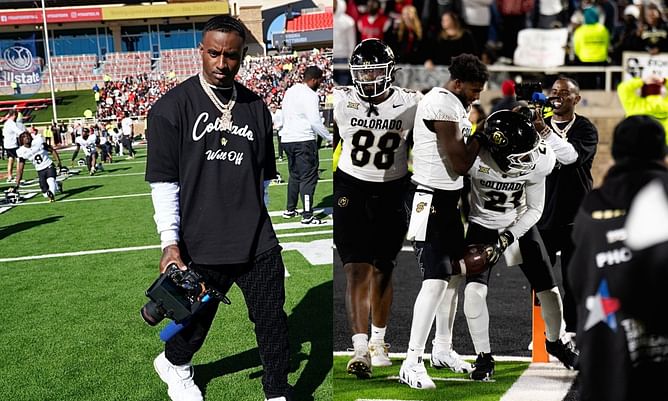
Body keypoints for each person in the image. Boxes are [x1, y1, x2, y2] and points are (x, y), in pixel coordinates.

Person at [144, 15, 292, 401]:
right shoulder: (170, 108)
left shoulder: (256, 106)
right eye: (214, 54)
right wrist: (170, 244)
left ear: (243, 55)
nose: (222, 64)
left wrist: (262, 224)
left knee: (272, 318)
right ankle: (175, 364)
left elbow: (261, 179)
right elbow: (164, 183)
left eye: (232, 56)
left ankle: (276, 391)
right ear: (201, 51)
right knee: (194, 320)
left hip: (255, 237)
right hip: (201, 237)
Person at [438, 111, 578, 383]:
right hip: (482, 225)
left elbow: (535, 209)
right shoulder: (473, 159)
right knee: (475, 294)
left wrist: (506, 239)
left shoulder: (540, 159)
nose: (530, 159)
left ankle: (555, 341)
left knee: (549, 289)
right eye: (521, 156)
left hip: (520, 223)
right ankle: (483, 356)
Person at [333, 38, 423, 379]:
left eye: (375, 70)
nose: (368, 78)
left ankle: (379, 341)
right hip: (351, 187)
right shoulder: (342, 101)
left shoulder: (412, 104)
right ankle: (359, 348)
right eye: (363, 71)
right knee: (356, 269)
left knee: (384, 268)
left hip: (392, 190)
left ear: (390, 72)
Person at [398, 53, 488, 390]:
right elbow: (461, 162)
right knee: (434, 279)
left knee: (452, 277)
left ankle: (443, 349)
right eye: (474, 89)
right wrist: (484, 135)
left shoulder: (454, 104)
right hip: (427, 198)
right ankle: (412, 360)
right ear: (459, 82)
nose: (477, 95)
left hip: (446, 199)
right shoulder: (442, 104)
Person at [568, 115, 668, 401]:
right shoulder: (662, 191)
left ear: (615, 154)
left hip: (603, 355)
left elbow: (577, 278)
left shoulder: (592, 204)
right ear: (662, 153)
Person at [531, 76, 598, 344]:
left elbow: (570, 158)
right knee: (540, 279)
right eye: (554, 91)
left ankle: (572, 331)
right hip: (542, 212)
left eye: (564, 92)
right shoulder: (538, 125)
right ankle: (542, 332)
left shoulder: (585, 128)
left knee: (574, 279)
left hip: (575, 214)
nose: (557, 95)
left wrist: (544, 132)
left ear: (576, 98)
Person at [279, 65, 332, 225]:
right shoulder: (310, 95)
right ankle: (307, 215)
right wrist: (329, 137)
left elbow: (283, 114)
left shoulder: (291, 91)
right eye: (320, 81)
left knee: (294, 175)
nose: (320, 84)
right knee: (308, 177)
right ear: (314, 79)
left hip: (288, 138)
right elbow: (315, 121)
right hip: (303, 139)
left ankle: (290, 209)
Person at [14, 130, 63, 202]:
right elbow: (20, 169)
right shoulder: (21, 151)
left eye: (27, 135)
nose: (26, 137)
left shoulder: (38, 142)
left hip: (48, 165)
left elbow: (52, 150)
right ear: (21, 140)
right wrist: (17, 183)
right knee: (45, 193)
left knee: (50, 180)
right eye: (24, 137)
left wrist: (58, 162)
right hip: (40, 170)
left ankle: (52, 195)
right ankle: (57, 185)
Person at [617, 74, 668, 141]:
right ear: (660, 91)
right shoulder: (665, 105)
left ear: (642, 91)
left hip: (639, 147)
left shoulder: (635, 106)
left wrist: (642, 81)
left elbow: (623, 88)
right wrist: (664, 81)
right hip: (663, 147)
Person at [2, 109, 23, 183]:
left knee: (10, 159)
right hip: (12, 144)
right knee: (19, 160)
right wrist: (26, 133)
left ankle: (10, 176)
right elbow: (18, 131)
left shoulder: (6, 123)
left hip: (7, 144)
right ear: (14, 115)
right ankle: (18, 176)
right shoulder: (11, 123)